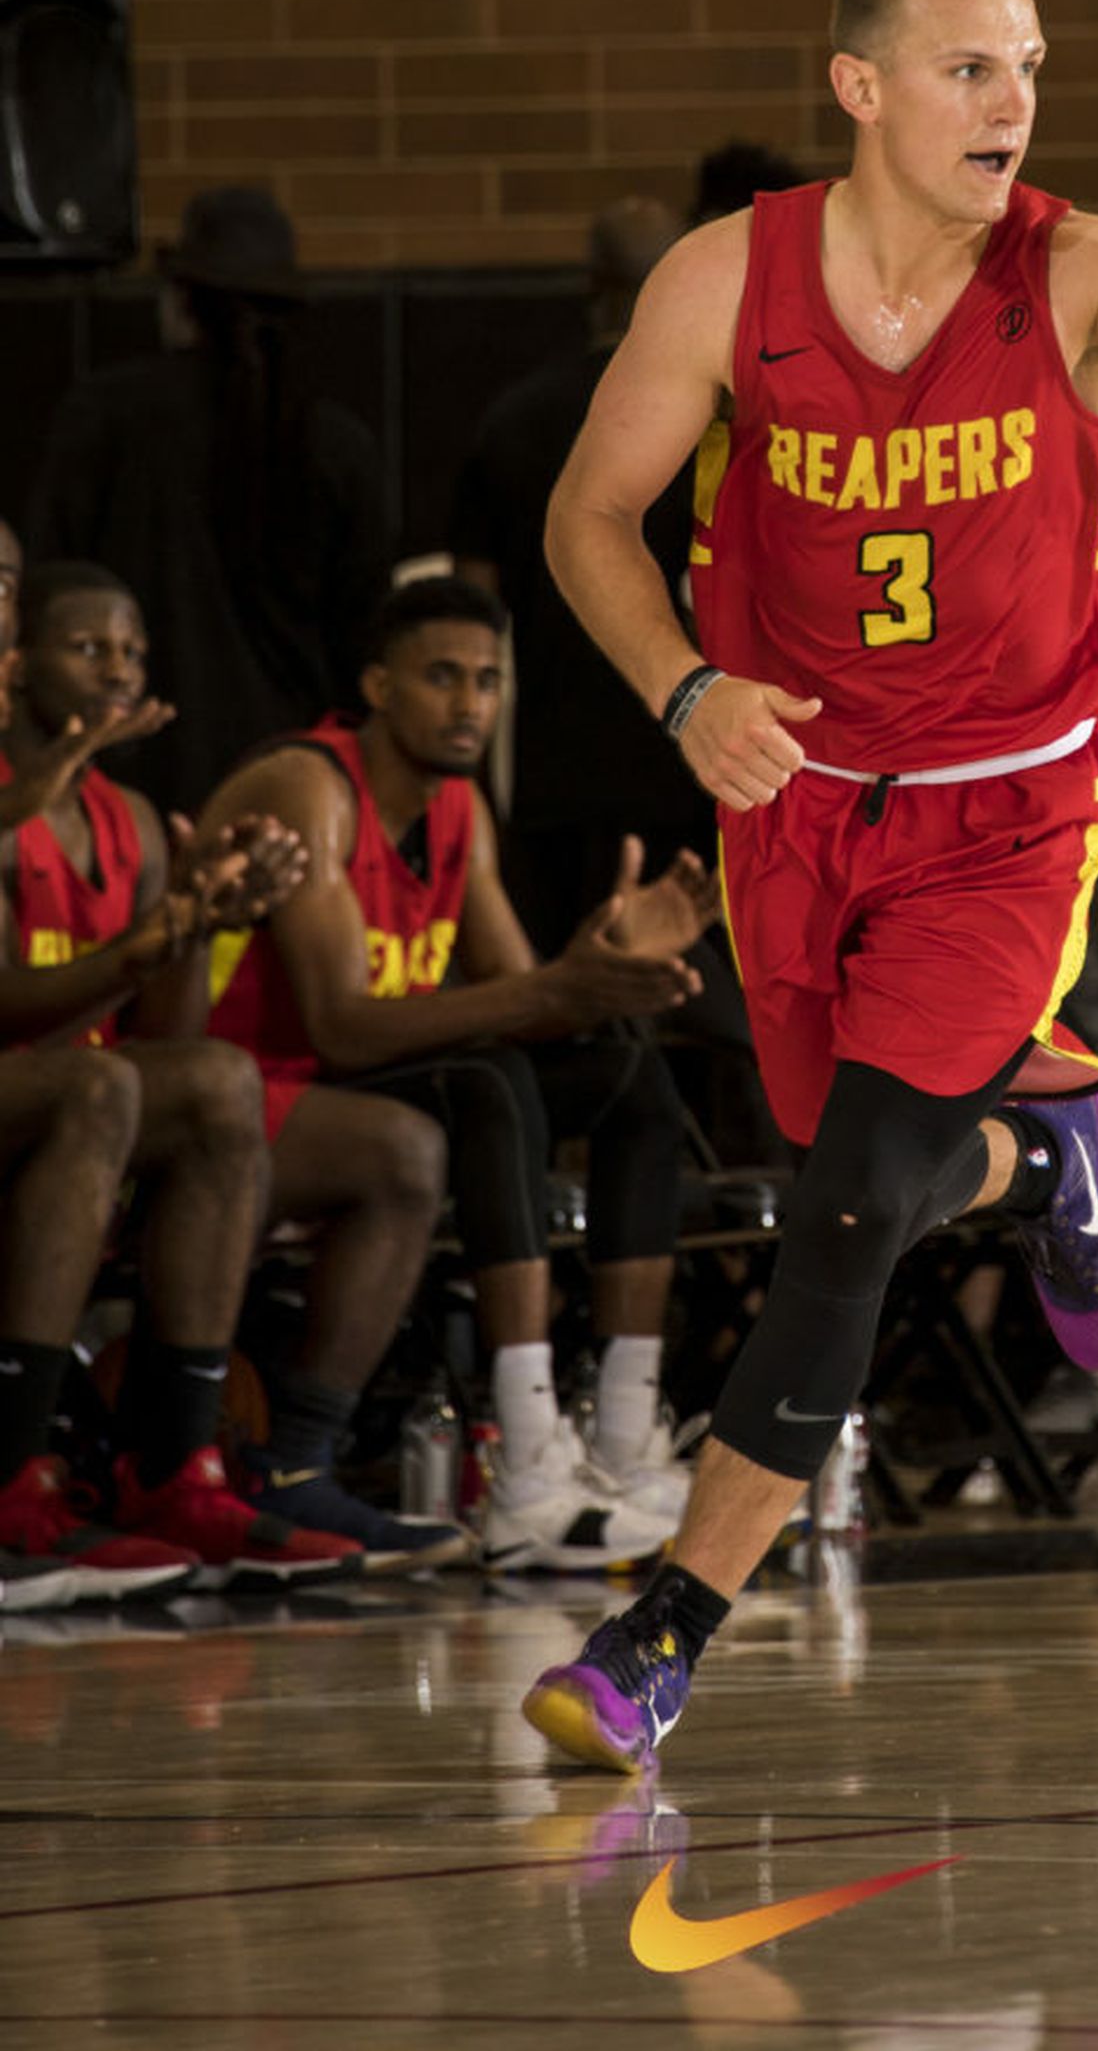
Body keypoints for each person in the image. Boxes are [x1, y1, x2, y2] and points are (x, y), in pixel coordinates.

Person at [524, 0, 1098, 1771]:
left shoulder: (1081, 264)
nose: (1013, 102)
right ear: (861, 86)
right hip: (798, 804)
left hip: (1017, 810)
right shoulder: (731, 279)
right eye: (973, 67)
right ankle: (1043, 1173)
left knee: (850, 1201)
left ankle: (663, 1629)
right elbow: (592, 516)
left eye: (1031, 65)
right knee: (852, 1168)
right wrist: (680, 691)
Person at [199, 575, 720, 1571]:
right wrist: (561, 987)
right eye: (442, 675)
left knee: (629, 1075)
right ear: (377, 684)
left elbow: (528, 998)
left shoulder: (460, 810)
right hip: (241, 1093)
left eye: (488, 679)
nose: (471, 701)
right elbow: (341, 1027)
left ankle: (617, 1440)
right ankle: (522, 1461)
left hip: (351, 1093)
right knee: (485, 1086)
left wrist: (603, 961)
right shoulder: (313, 786)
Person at [0, 556, 361, 1591]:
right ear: (21, 663)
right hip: (43, 1095)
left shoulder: (139, 823)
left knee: (214, 1080)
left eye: (134, 650)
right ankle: (14, 1476)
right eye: (88, 647)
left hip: (73, 1111)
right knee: (101, 1086)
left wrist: (203, 921)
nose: (119, 667)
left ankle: (174, 1463)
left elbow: (170, 1035)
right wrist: (137, 950)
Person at [28, 186, 393, 816]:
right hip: (293, 779)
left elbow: (49, 587)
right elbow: (365, 637)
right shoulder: (337, 443)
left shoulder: (107, 416)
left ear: (182, 303)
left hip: (129, 769)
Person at [451, 195, 704, 951]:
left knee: (567, 1003)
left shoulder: (514, 419)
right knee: (700, 1012)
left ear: (592, 284)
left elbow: (469, 610)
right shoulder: (723, 426)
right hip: (695, 763)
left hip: (555, 778)